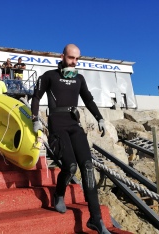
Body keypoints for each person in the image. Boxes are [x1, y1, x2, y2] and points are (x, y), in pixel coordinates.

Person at [31, 44, 109, 234]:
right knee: (71, 166)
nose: (74, 62)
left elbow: (89, 100)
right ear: (62, 56)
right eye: (71, 58)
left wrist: (100, 118)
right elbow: (35, 97)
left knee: (88, 167)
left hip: (74, 124)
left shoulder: (79, 79)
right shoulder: (49, 76)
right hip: (57, 124)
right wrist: (35, 120)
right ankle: (59, 194)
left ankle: (95, 219)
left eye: (77, 59)